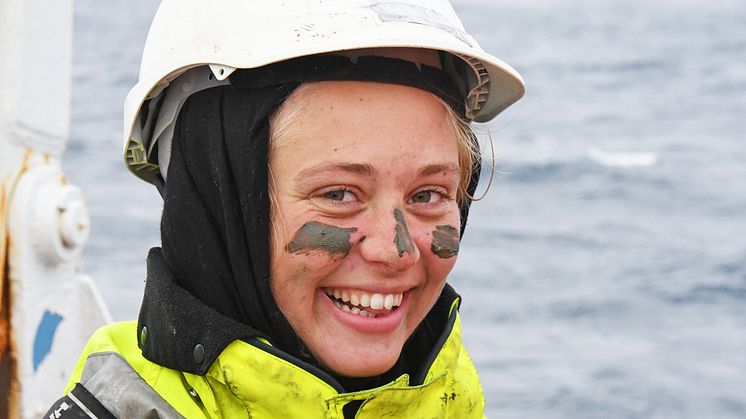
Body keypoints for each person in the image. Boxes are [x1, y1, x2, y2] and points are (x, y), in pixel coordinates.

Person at [46, 0, 524, 417]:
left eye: (428, 195)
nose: (395, 252)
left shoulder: (447, 397)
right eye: (338, 194)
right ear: (215, 205)